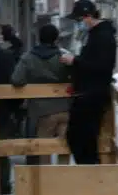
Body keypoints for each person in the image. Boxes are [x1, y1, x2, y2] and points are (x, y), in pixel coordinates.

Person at [60, 0, 116, 165]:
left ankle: (92, 177)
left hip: (92, 96)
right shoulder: (94, 35)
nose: (78, 24)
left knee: (83, 139)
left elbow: (102, 66)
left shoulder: (103, 36)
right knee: (79, 139)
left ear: (88, 17)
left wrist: (75, 61)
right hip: (87, 94)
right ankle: (89, 175)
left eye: (79, 20)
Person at [11, 24, 73, 166]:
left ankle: (46, 182)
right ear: (56, 39)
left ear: (39, 38)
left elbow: (16, 79)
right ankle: (63, 179)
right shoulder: (64, 56)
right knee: (65, 147)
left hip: (41, 111)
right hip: (65, 109)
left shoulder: (28, 57)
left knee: (44, 150)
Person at [0, 31, 17, 194]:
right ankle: (3, 184)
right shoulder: (6, 57)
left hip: (3, 108)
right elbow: (14, 82)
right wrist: (14, 108)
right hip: (2, 109)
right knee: (2, 149)